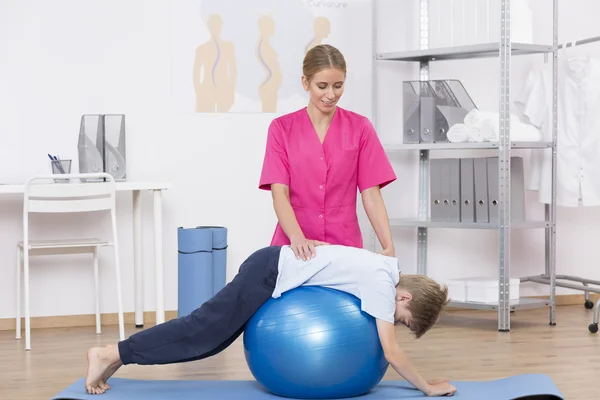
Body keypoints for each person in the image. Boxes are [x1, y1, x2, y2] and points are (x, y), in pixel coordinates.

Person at [84, 243, 456, 397]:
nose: (396, 323)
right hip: (268, 271)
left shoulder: (383, 269)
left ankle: (117, 356)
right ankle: (109, 352)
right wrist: (425, 386)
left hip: (270, 264)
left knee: (210, 341)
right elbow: (389, 351)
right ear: (403, 296)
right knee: (201, 332)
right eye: (403, 319)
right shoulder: (381, 282)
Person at [258, 44, 397, 261]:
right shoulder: (281, 129)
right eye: (322, 86)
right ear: (306, 82)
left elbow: (371, 193)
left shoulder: (360, 128)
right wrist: (297, 238)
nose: (330, 95)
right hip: (293, 246)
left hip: (343, 245)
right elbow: (279, 193)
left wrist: (388, 246)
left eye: (338, 86)